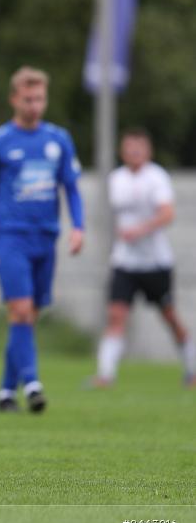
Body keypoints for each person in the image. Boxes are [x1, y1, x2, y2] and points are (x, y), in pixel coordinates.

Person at [0, 66, 85, 413]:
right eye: (28, 99)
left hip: (46, 238)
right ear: (14, 100)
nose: (34, 105)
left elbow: (71, 187)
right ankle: (33, 384)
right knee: (20, 310)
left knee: (27, 317)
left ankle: (7, 391)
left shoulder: (58, 140)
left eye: (39, 98)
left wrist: (78, 226)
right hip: (11, 238)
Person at [92, 129, 195, 387]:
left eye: (139, 149)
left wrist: (140, 230)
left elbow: (167, 214)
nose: (134, 153)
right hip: (125, 262)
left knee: (170, 316)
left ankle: (192, 368)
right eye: (129, 149)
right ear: (122, 152)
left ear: (148, 151)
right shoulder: (116, 179)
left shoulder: (156, 178)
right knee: (116, 314)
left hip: (155, 262)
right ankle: (106, 375)